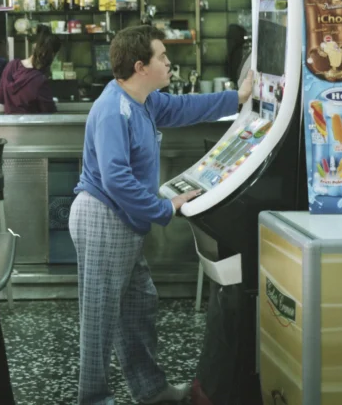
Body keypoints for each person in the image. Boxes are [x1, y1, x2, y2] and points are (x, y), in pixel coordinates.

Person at [70, 25, 252, 405]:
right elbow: (116, 179)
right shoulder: (113, 109)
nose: (169, 63)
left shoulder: (146, 101)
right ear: (141, 67)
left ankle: (151, 390)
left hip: (124, 221)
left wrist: (237, 97)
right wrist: (164, 208)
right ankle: (94, 398)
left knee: (139, 308)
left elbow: (185, 108)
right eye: (162, 57)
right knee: (100, 318)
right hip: (102, 217)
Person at [0, 25, 60, 114]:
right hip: (31, 123)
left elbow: (0, 97)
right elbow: (49, 110)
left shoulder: (11, 66)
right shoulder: (40, 80)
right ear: (53, 55)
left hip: (9, 121)